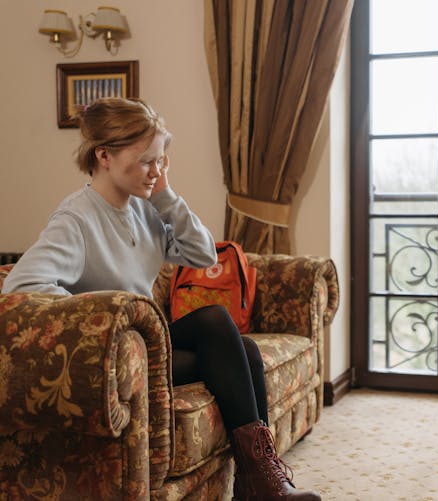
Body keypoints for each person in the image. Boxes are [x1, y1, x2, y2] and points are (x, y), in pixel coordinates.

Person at [1, 97, 320, 501]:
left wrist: (165, 196)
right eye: (147, 160)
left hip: (151, 345)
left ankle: (259, 482)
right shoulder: (76, 220)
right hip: (118, 358)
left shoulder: (144, 208)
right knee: (216, 324)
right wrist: (100, 317)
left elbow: (203, 256)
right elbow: (21, 286)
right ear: (104, 155)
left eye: (161, 160)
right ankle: (262, 486)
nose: (157, 171)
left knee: (245, 350)